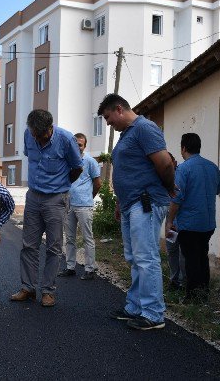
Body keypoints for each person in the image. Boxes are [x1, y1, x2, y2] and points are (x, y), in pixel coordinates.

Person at [98, 94, 175, 331]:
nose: (110, 125)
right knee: (134, 258)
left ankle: (153, 314)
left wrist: (170, 189)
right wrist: (121, 203)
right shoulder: (127, 135)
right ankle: (134, 307)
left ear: (119, 109)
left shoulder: (145, 128)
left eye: (110, 119)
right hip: (132, 204)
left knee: (146, 257)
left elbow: (164, 163)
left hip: (147, 202)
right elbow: (128, 171)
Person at [10, 109, 83, 307]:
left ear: (50, 129)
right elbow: (29, 155)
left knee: (53, 247)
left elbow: (77, 167)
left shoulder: (66, 140)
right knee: (28, 245)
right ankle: (28, 288)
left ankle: (48, 291)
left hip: (56, 200)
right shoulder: (29, 134)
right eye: (33, 134)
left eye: (40, 135)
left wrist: (62, 186)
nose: (36, 139)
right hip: (33, 197)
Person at [165, 133, 220, 303]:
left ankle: (192, 297)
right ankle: (203, 293)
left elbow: (176, 199)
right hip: (208, 223)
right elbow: (218, 190)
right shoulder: (212, 167)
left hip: (189, 224)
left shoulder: (183, 168)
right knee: (202, 257)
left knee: (191, 261)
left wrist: (169, 221)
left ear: (183, 148)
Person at [59, 133, 102, 280]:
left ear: (84, 146)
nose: (77, 146)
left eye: (80, 144)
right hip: (69, 205)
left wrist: (89, 197)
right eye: (75, 143)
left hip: (84, 205)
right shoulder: (68, 160)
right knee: (70, 238)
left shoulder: (90, 161)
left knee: (87, 238)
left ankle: (90, 269)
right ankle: (70, 267)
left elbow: (98, 183)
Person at [165, 152, 186, 290]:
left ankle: (184, 282)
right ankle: (174, 281)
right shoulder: (164, 176)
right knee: (172, 249)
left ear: (174, 162)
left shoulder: (181, 173)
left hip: (182, 218)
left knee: (183, 252)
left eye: (169, 163)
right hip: (171, 218)